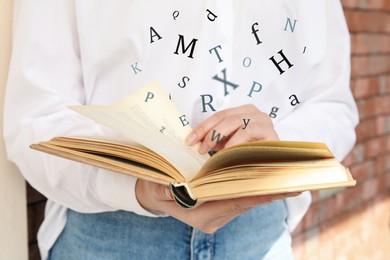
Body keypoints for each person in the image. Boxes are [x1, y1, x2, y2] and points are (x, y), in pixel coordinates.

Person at [3, 0, 358, 259]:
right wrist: (137, 184)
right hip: (109, 235)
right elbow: (36, 116)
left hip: (261, 237)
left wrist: (278, 150)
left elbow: (334, 105)